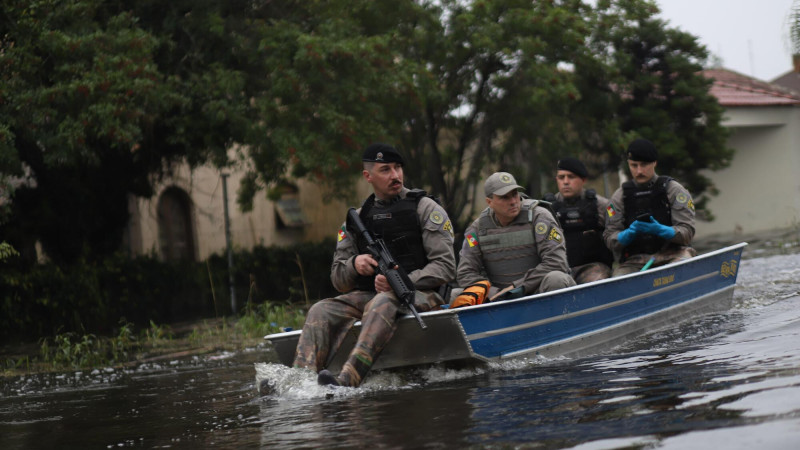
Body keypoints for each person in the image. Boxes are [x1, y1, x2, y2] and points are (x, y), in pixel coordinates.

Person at [292, 143, 456, 388]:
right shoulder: (358, 220)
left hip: (423, 294)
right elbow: (338, 280)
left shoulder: (425, 209)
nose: (395, 175)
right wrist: (354, 265)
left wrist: (401, 281)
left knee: (381, 302)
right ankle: (299, 383)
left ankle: (348, 380)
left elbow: (445, 266)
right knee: (320, 310)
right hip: (372, 295)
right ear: (368, 176)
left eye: (398, 168)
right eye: (386, 169)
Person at [456, 171, 575, 304]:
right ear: (489, 202)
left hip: (538, 292)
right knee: (458, 294)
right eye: (504, 197)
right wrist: (494, 293)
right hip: (499, 299)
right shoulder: (476, 230)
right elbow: (465, 273)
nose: (513, 201)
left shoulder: (539, 217)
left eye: (514, 194)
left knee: (556, 279)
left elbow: (556, 262)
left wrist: (517, 287)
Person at [603, 138, 696, 276]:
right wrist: (626, 235)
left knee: (682, 266)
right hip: (635, 261)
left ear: (654, 163)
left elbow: (687, 232)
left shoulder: (674, 191)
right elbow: (610, 238)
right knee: (619, 279)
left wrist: (662, 230)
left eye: (644, 165)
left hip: (673, 254)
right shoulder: (618, 198)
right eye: (634, 165)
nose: (639, 170)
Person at [543, 157, 614, 284]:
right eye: (561, 177)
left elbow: (616, 230)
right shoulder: (545, 209)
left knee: (597, 283)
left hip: (593, 268)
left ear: (583, 179)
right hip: (559, 270)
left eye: (571, 177)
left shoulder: (604, 205)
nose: (565, 182)